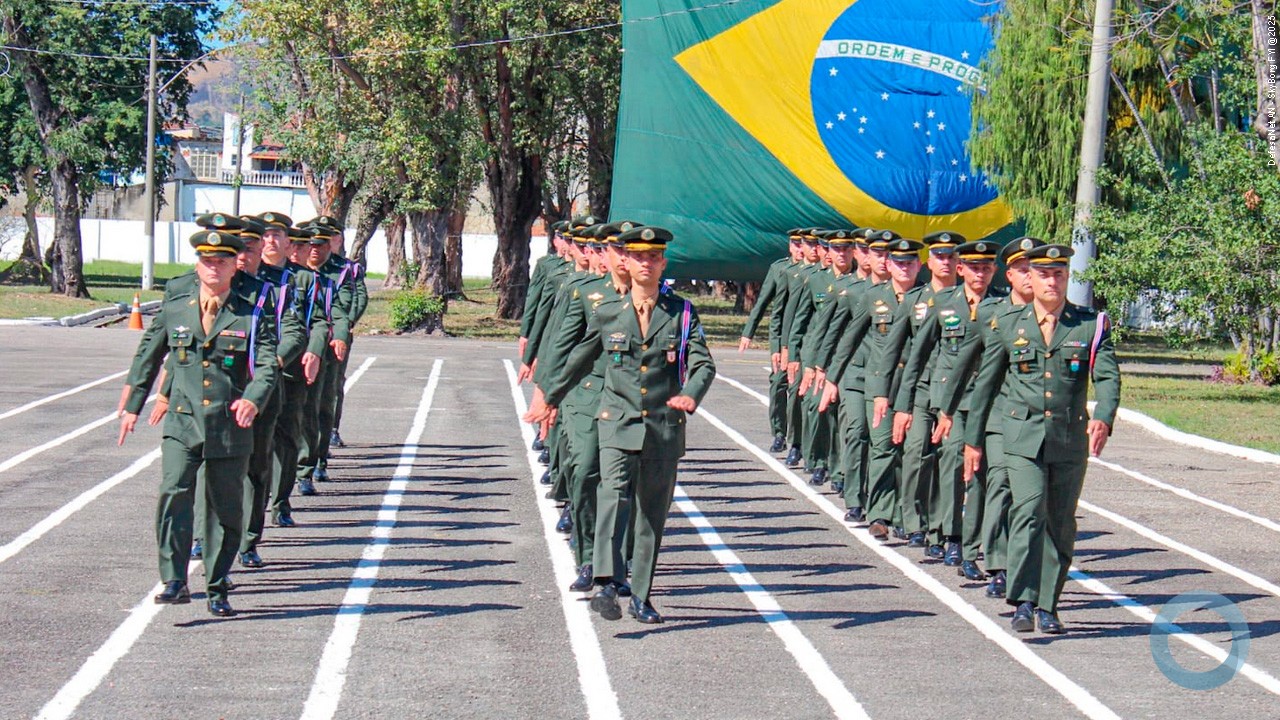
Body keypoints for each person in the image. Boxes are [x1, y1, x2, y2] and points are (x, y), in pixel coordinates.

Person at [537, 225, 716, 624]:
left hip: (663, 430)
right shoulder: (608, 312)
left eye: (653, 257)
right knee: (612, 497)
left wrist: (691, 394)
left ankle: (640, 596)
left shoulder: (682, 313)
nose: (646, 263)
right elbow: (579, 359)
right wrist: (549, 397)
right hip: (617, 424)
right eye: (638, 257)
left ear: (662, 263)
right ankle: (605, 582)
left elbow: (704, 362)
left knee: (651, 514)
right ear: (628, 262)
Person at [963, 242, 1121, 634]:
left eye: (1059, 274)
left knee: (1060, 522)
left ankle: (1049, 604)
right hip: (1021, 436)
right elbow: (986, 384)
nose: (1052, 281)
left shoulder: (1089, 324)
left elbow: (1107, 375)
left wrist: (1103, 415)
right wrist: (973, 440)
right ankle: (1023, 600)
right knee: (1029, 511)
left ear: (1067, 277)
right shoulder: (1009, 324)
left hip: (1068, 438)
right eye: (1045, 274)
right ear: (1029, 278)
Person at [118, 229, 278, 617]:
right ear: (198, 264)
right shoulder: (177, 306)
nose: (214, 267)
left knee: (225, 510)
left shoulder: (252, 309)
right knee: (173, 492)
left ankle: (217, 584)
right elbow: (150, 354)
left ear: (232, 266)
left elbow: (268, 362)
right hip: (183, 422)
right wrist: (133, 404)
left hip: (229, 424)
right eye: (207, 260)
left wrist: (252, 402)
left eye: (222, 261)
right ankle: (174, 579)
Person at [738, 234, 800, 453]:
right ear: (790, 246)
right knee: (778, 385)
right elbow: (766, 305)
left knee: (799, 393)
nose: (801, 249)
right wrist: (749, 333)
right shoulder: (780, 269)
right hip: (783, 340)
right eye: (797, 244)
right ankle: (779, 432)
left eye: (806, 244)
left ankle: (798, 440)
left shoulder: (817, 274)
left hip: (805, 342)